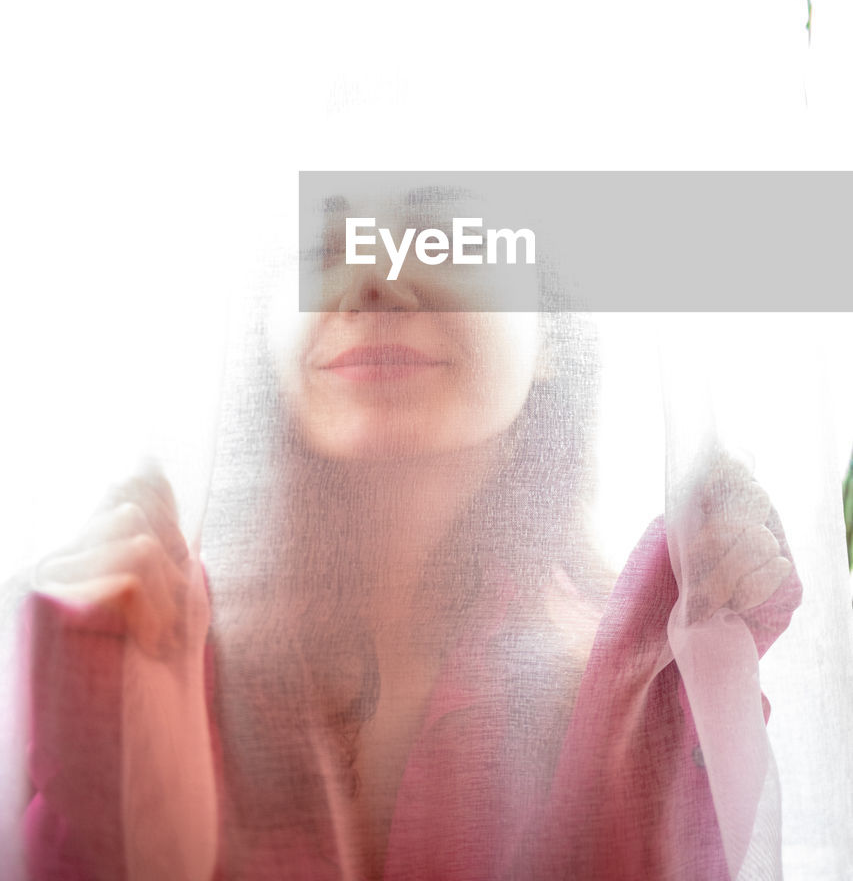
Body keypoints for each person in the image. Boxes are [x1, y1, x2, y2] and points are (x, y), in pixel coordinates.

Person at [20, 195, 802, 880]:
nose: (372, 279)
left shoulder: (647, 696)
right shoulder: (136, 655)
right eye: (319, 247)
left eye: (446, 236)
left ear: (555, 335)